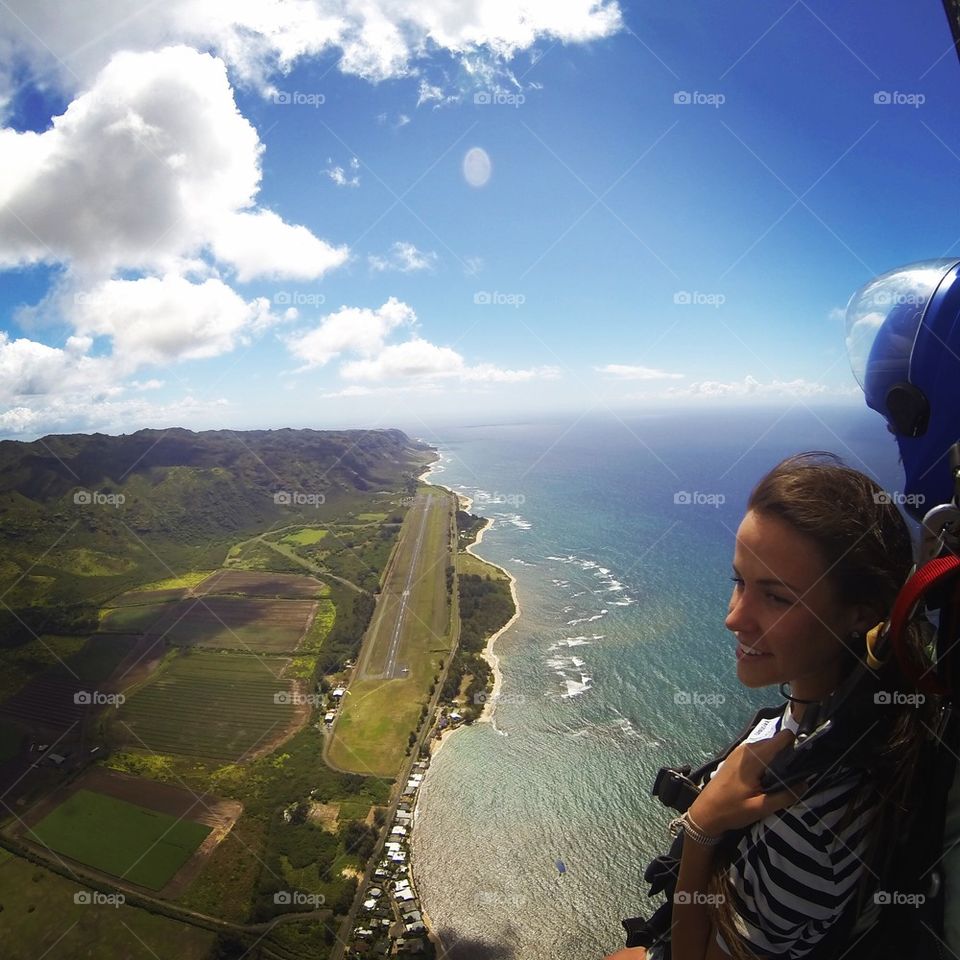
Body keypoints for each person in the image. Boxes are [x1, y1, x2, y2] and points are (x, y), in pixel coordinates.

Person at [607, 452, 933, 960]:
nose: (734, 619)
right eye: (739, 581)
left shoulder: (810, 825)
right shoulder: (828, 722)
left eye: (778, 598)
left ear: (859, 614)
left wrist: (701, 826)